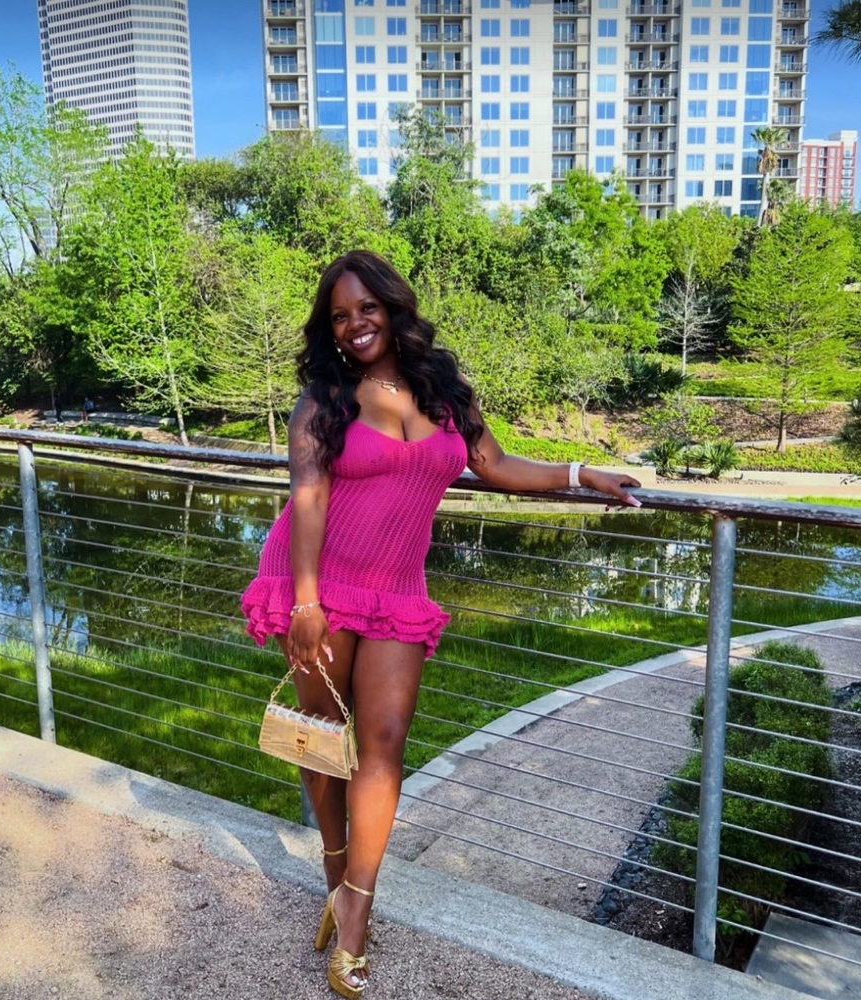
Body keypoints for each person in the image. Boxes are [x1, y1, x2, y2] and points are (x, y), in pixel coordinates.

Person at [241, 250, 641, 999]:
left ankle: (354, 913)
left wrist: (582, 475)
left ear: (393, 308)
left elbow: (490, 464)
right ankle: (337, 881)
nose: (356, 324)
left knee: (384, 744)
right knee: (327, 745)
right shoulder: (323, 400)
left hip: (395, 591)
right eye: (340, 315)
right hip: (317, 583)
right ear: (328, 328)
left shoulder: (443, 390)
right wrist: (301, 601)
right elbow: (309, 498)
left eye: (367, 308)